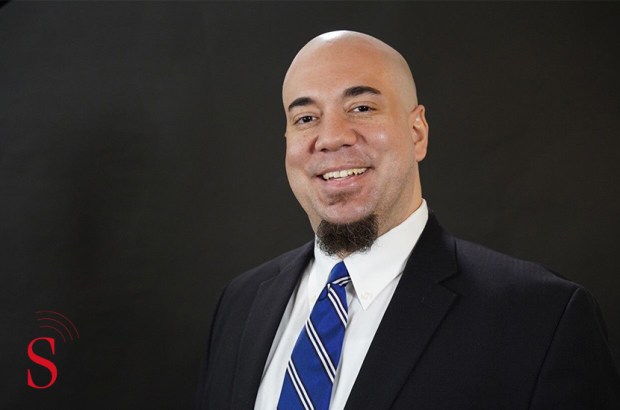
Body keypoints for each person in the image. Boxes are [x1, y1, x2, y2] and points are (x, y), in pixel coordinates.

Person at [196, 31, 619, 409]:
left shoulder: (541, 319)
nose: (332, 137)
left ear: (417, 132)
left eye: (361, 107)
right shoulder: (239, 304)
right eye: (306, 118)